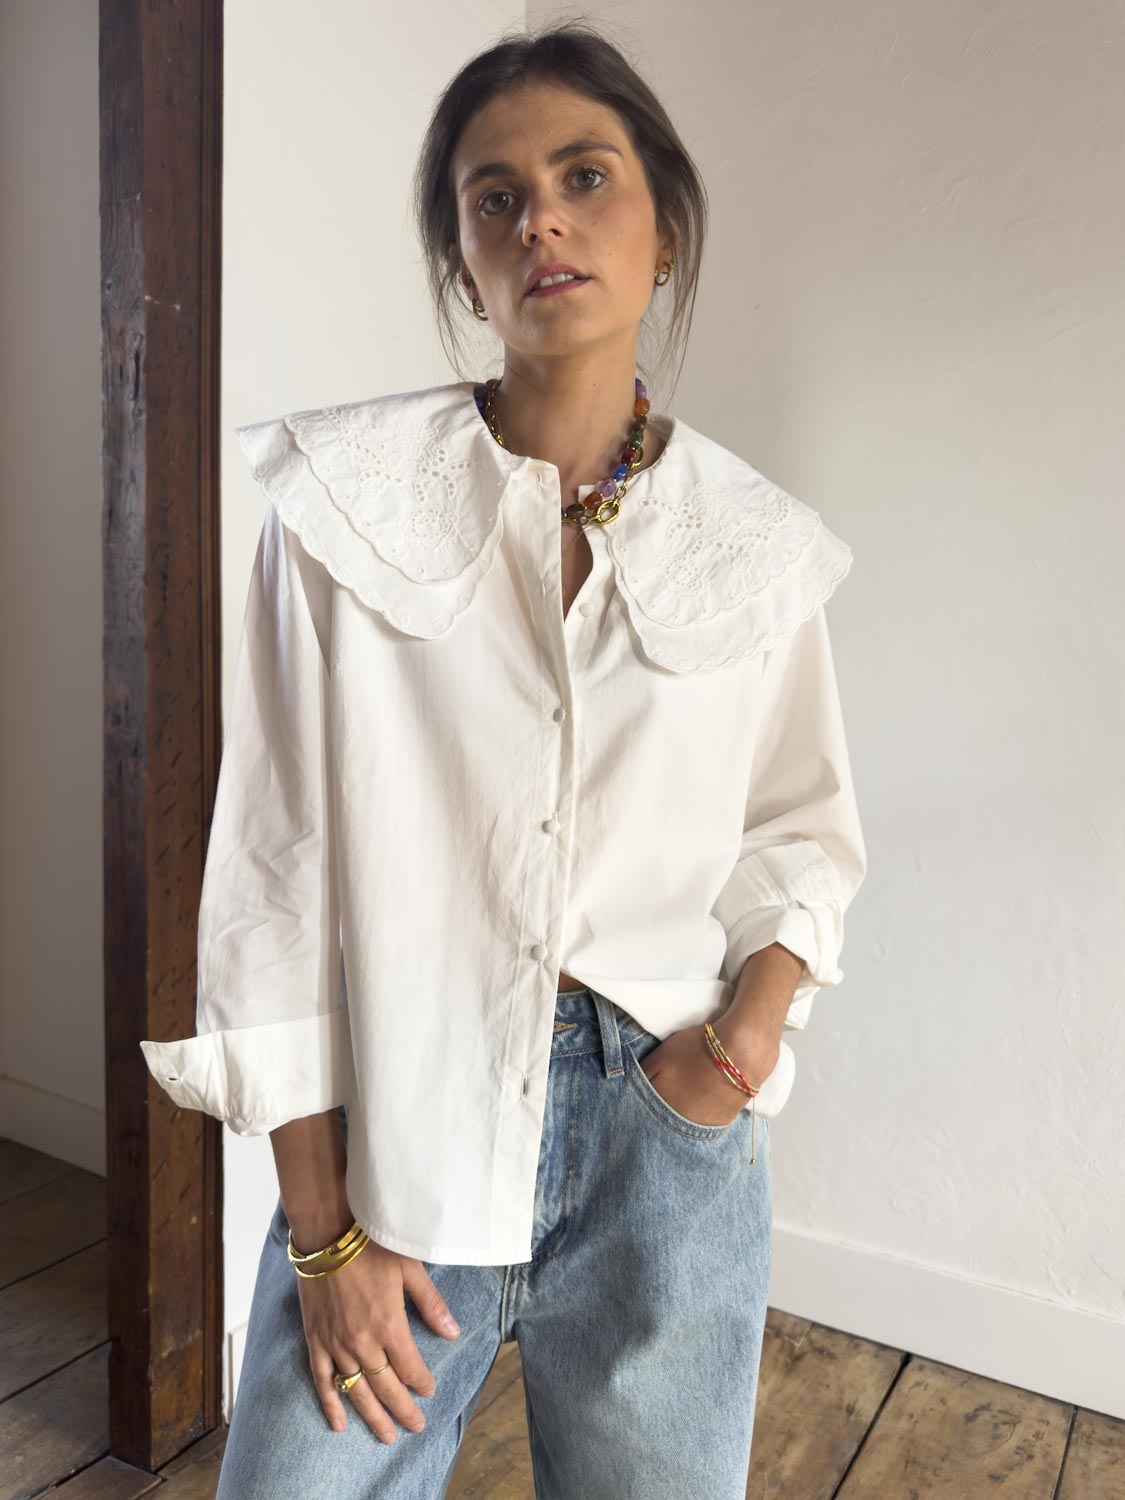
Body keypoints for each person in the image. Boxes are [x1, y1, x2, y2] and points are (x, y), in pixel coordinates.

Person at [140, 19, 866, 1499]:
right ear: (464, 264)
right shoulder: (341, 510)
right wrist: (323, 1230)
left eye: (584, 177)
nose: (540, 218)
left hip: (665, 1137)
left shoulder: (756, 546)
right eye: (495, 198)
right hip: (402, 1142)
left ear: (663, 227)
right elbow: (273, 876)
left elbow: (798, 831)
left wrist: (734, 1053)